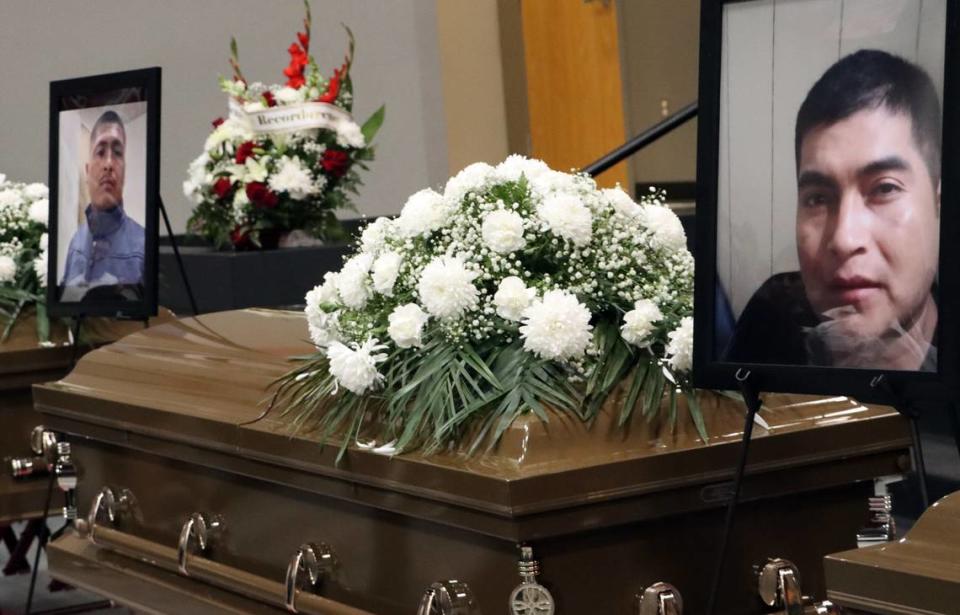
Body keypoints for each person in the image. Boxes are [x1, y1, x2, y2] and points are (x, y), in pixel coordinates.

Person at [725, 49, 941, 371]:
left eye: (884, 189)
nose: (843, 238)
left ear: (939, 199)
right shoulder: (771, 319)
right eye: (817, 199)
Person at [61, 110, 145, 300]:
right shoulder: (76, 243)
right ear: (88, 170)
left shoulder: (144, 246)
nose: (108, 164)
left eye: (117, 153)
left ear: (124, 170)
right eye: (100, 152)